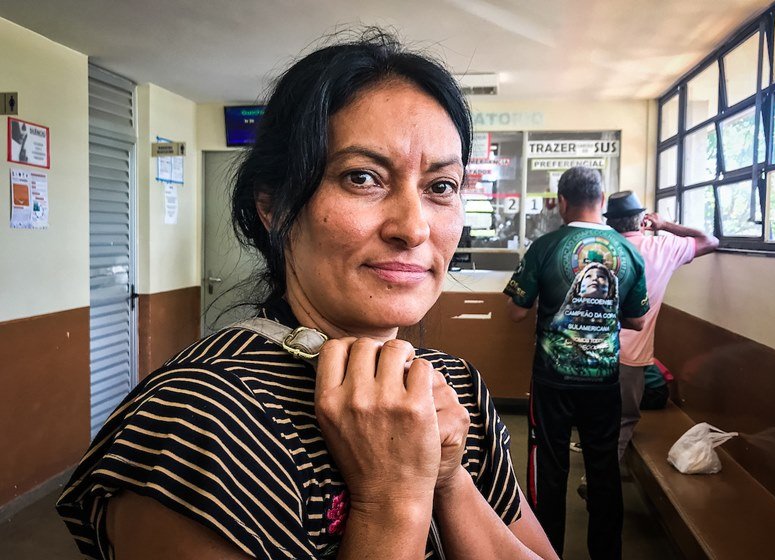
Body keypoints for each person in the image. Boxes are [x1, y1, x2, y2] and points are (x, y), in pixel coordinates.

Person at [56, 31, 558, 560]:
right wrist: (391, 497)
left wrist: (449, 480)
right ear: (274, 208)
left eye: (441, 187)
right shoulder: (201, 424)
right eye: (363, 177)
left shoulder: (453, 391)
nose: (413, 228)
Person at [505, 167, 649, 560]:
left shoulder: (545, 246)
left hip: (552, 382)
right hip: (605, 382)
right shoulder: (630, 251)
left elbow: (516, 312)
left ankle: (545, 552)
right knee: (603, 470)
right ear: (602, 201)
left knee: (548, 469)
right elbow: (637, 320)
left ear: (562, 202)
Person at [604, 190, 718, 459]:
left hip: (591, 350)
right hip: (630, 357)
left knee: (596, 415)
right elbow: (709, 240)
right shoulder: (662, 248)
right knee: (624, 419)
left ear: (610, 222)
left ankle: (592, 471)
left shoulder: (599, 247)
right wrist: (665, 225)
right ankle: (598, 485)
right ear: (641, 219)